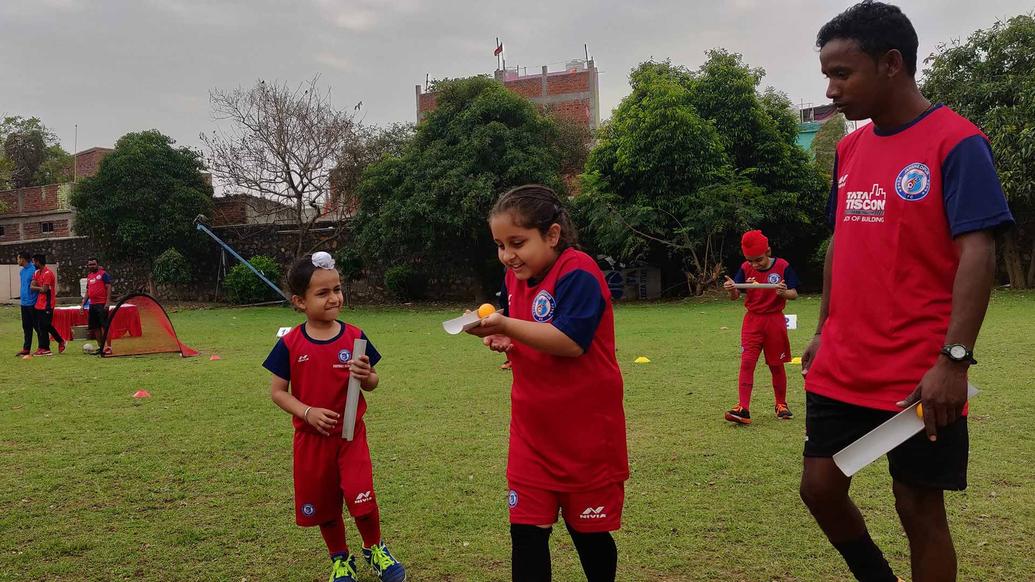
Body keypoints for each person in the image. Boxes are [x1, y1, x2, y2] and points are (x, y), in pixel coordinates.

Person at [800, 3, 1015, 581]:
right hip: (844, 361)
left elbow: (979, 252)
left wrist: (954, 360)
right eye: (827, 73)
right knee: (820, 487)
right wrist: (822, 330)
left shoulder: (958, 142)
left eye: (843, 73)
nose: (831, 88)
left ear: (891, 63)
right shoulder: (849, 149)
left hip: (920, 372)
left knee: (917, 506)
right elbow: (840, 243)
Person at [468, 185, 628, 582]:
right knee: (525, 534)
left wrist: (507, 325)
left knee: (589, 536)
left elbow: (571, 342)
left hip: (587, 436)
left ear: (552, 235)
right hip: (532, 434)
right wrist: (506, 337)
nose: (508, 256)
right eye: (500, 245)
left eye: (517, 243)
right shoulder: (513, 276)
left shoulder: (579, 272)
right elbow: (530, 328)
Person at [262, 252, 405, 582]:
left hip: (351, 438)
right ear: (299, 301)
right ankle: (341, 559)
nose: (334, 298)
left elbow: (373, 383)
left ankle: (375, 548)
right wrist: (307, 412)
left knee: (363, 498)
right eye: (322, 293)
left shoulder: (356, 337)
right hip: (312, 443)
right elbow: (278, 392)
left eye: (337, 289)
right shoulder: (290, 344)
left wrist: (366, 374)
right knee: (325, 506)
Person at [722, 230, 800, 424]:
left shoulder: (783, 266)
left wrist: (784, 293)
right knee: (747, 363)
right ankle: (743, 408)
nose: (754, 265)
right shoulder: (745, 268)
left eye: (758, 260)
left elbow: (794, 293)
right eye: (750, 261)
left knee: (776, 365)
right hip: (752, 322)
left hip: (775, 322)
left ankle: (781, 404)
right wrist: (732, 289)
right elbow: (736, 296)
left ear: (768, 251)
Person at [29, 254, 65, 356]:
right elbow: (32, 286)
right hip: (39, 304)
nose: (33, 264)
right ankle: (45, 347)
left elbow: (44, 290)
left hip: (48, 304)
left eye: (34, 262)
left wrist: (38, 288)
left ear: (38, 262)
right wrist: (39, 288)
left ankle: (47, 347)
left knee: (45, 325)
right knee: (41, 326)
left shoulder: (48, 273)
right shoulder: (37, 272)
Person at [80, 258, 112, 340]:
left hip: (101, 304)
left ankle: (108, 347)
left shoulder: (103, 274)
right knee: (95, 327)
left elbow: (108, 287)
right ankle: (100, 347)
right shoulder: (89, 276)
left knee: (105, 326)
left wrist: (107, 302)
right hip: (92, 304)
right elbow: (88, 291)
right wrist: (83, 304)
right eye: (90, 265)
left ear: (97, 264)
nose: (92, 266)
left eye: (93, 264)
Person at [15, 251, 38, 356]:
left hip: (32, 303)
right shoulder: (22, 271)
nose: (17, 260)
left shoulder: (34, 270)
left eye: (18, 258)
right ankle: (26, 348)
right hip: (24, 303)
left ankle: (43, 347)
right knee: (26, 326)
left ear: (23, 259)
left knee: (37, 326)